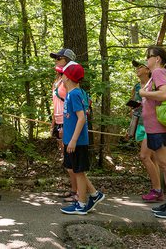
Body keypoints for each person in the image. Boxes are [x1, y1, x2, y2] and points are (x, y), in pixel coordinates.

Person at [139, 45, 166, 219]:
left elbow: (165, 94)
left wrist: (144, 93)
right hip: (154, 129)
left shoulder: (158, 72)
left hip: (161, 129)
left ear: (157, 59)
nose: (146, 59)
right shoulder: (156, 75)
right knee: (164, 166)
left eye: (148, 56)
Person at [59, 63, 105, 215]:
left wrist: (72, 140)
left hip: (77, 142)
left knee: (78, 172)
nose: (61, 77)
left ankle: (82, 204)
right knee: (76, 170)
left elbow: (81, 118)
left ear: (68, 77)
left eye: (62, 74)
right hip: (70, 140)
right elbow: (71, 117)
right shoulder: (71, 93)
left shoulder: (76, 94)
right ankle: (94, 194)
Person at [129, 60, 163, 202]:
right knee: (152, 157)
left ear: (148, 70)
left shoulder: (154, 85)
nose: (137, 69)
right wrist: (131, 129)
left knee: (144, 156)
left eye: (140, 67)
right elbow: (134, 110)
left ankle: (157, 190)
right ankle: (158, 189)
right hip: (141, 124)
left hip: (153, 124)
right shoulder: (137, 87)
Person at [50, 48, 79, 203]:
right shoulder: (59, 80)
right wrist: (53, 123)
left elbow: (72, 103)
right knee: (67, 160)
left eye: (59, 58)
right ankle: (74, 190)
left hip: (67, 123)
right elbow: (56, 103)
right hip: (59, 122)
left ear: (67, 61)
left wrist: (64, 124)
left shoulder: (70, 81)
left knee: (72, 160)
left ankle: (79, 193)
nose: (56, 60)